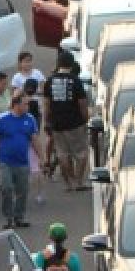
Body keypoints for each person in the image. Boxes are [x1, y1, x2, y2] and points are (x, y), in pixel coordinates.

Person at [0, 92, 39, 229]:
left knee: (22, 191)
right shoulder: (3, 119)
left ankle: (19, 217)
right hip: (5, 162)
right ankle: (8, 217)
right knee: (6, 188)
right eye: (25, 104)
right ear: (16, 105)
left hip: (22, 162)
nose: (28, 106)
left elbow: (34, 140)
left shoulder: (30, 119)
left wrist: (42, 157)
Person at [41, 52, 90, 192]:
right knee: (81, 153)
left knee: (63, 153)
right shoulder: (75, 80)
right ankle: (79, 181)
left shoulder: (49, 81)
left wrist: (47, 121)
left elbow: (46, 104)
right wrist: (85, 119)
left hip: (57, 123)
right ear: (71, 64)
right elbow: (82, 103)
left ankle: (69, 182)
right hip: (75, 122)